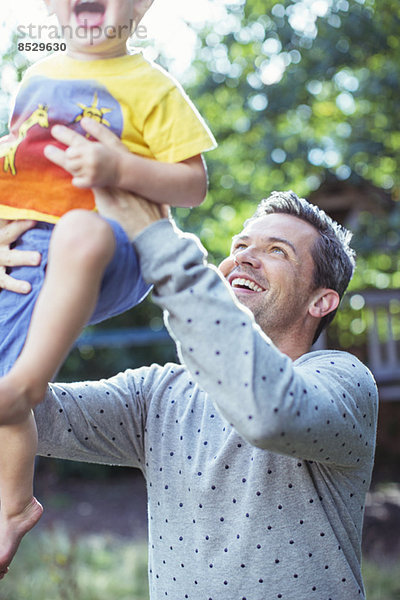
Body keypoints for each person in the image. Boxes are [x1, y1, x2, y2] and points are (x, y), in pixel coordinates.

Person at [0, 189, 378, 598]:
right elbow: (23, 405)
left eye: (277, 251)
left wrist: (160, 242)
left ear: (321, 301)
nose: (245, 257)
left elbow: (268, 415)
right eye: (240, 245)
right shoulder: (158, 393)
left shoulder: (344, 380)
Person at [0, 0, 215, 575]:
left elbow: (193, 183)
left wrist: (120, 169)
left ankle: (26, 383)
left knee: (79, 230)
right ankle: (12, 507)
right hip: (23, 259)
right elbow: (18, 171)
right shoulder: (35, 76)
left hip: (110, 246)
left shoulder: (151, 84)